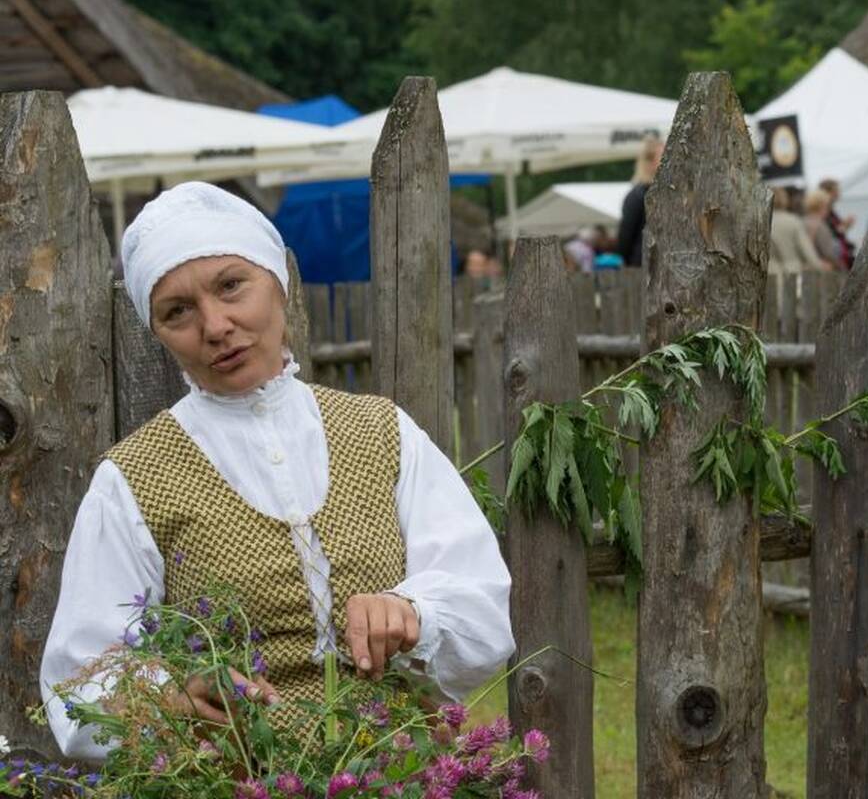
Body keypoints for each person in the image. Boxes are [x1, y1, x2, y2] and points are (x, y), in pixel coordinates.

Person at [40, 182, 516, 761]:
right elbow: (80, 679)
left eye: (231, 286)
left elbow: (482, 609)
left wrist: (414, 614)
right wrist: (170, 696)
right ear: (157, 332)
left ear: (279, 283)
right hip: (233, 782)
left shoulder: (382, 432)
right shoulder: (133, 479)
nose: (215, 325)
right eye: (177, 311)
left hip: (400, 775)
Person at [617, 135, 663, 267]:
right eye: (663, 156)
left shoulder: (669, 193)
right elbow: (625, 239)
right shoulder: (637, 195)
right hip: (643, 266)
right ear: (649, 161)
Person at [768, 187, 831, 275]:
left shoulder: (758, 221)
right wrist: (819, 266)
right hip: (791, 272)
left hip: (767, 272)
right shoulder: (793, 221)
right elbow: (807, 251)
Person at [819, 178, 857, 267]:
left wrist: (844, 225)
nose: (839, 193)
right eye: (836, 190)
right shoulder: (823, 212)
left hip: (840, 253)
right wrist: (844, 226)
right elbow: (831, 232)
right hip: (832, 258)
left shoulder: (831, 211)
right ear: (828, 193)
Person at [802, 189, 843, 268]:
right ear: (822, 206)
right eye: (827, 206)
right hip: (819, 268)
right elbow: (828, 252)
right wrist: (840, 265)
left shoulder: (801, 221)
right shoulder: (820, 225)